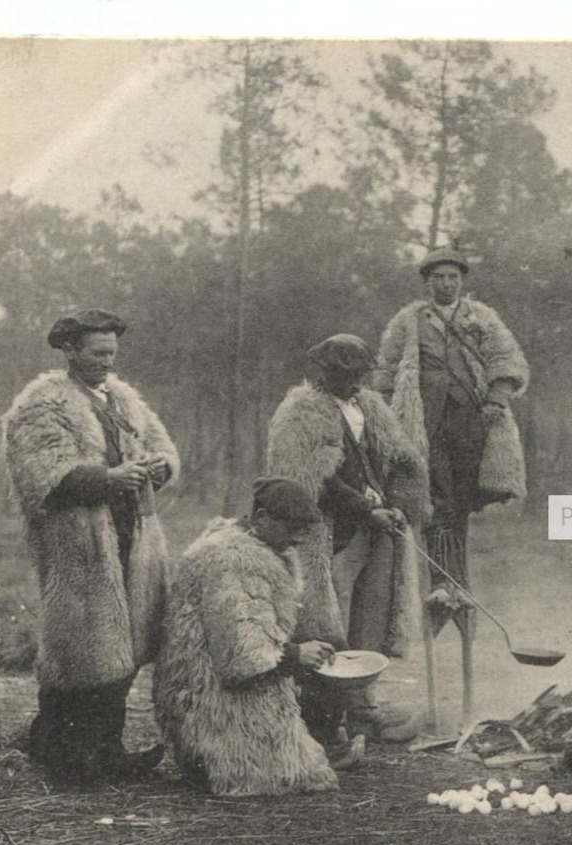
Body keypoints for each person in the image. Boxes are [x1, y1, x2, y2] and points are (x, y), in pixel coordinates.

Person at [1, 308, 176, 787]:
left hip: (132, 535)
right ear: (70, 350)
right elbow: (41, 475)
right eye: (97, 353)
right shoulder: (44, 403)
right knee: (79, 647)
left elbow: (161, 446)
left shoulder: (124, 399)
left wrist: (159, 467)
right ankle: (63, 753)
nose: (107, 361)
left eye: (112, 353)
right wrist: (107, 477)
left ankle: (107, 749)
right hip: (77, 542)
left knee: (122, 645)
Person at [266, 334, 431, 747]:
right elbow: (313, 481)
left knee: (370, 623)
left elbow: (394, 461)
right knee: (329, 624)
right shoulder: (299, 413)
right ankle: (326, 720)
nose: (354, 383)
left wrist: (394, 503)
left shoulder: (369, 407)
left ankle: (363, 711)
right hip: (335, 535)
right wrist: (364, 507)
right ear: (324, 372)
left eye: (360, 375)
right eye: (345, 376)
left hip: (378, 531)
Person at [154, 479, 340, 797]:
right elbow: (240, 651)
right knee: (284, 777)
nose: (298, 538)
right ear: (262, 518)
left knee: (308, 771)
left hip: (215, 690)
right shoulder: (233, 560)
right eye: (292, 527)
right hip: (214, 703)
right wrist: (296, 655)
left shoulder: (251, 546)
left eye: (303, 529)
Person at [375, 247, 529, 626]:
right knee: (435, 498)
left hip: (471, 423)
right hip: (424, 423)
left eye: (452, 278)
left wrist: (496, 398)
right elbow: (386, 369)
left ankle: (457, 584)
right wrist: (383, 414)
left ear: (461, 282)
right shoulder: (408, 321)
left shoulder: (482, 317)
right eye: (438, 278)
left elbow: (506, 360)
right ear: (427, 283)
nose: (445, 284)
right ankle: (443, 582)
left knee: (460, 502)